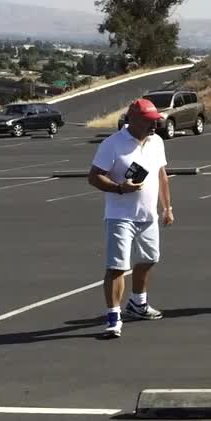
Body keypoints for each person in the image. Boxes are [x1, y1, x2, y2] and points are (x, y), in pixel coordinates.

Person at [87, 98, 173, 339]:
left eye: (156, 121)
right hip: (120, 216)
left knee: (149, 258)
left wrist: (167, 208)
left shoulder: (156, 142)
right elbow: (94, 177)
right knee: (117, 267)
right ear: (132, 120)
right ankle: (114, 318)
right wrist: (119, 188)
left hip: (148, 216)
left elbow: (161, 176)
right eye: (149, 122)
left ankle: (138, 303)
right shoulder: (111, 144)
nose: (154, 126)